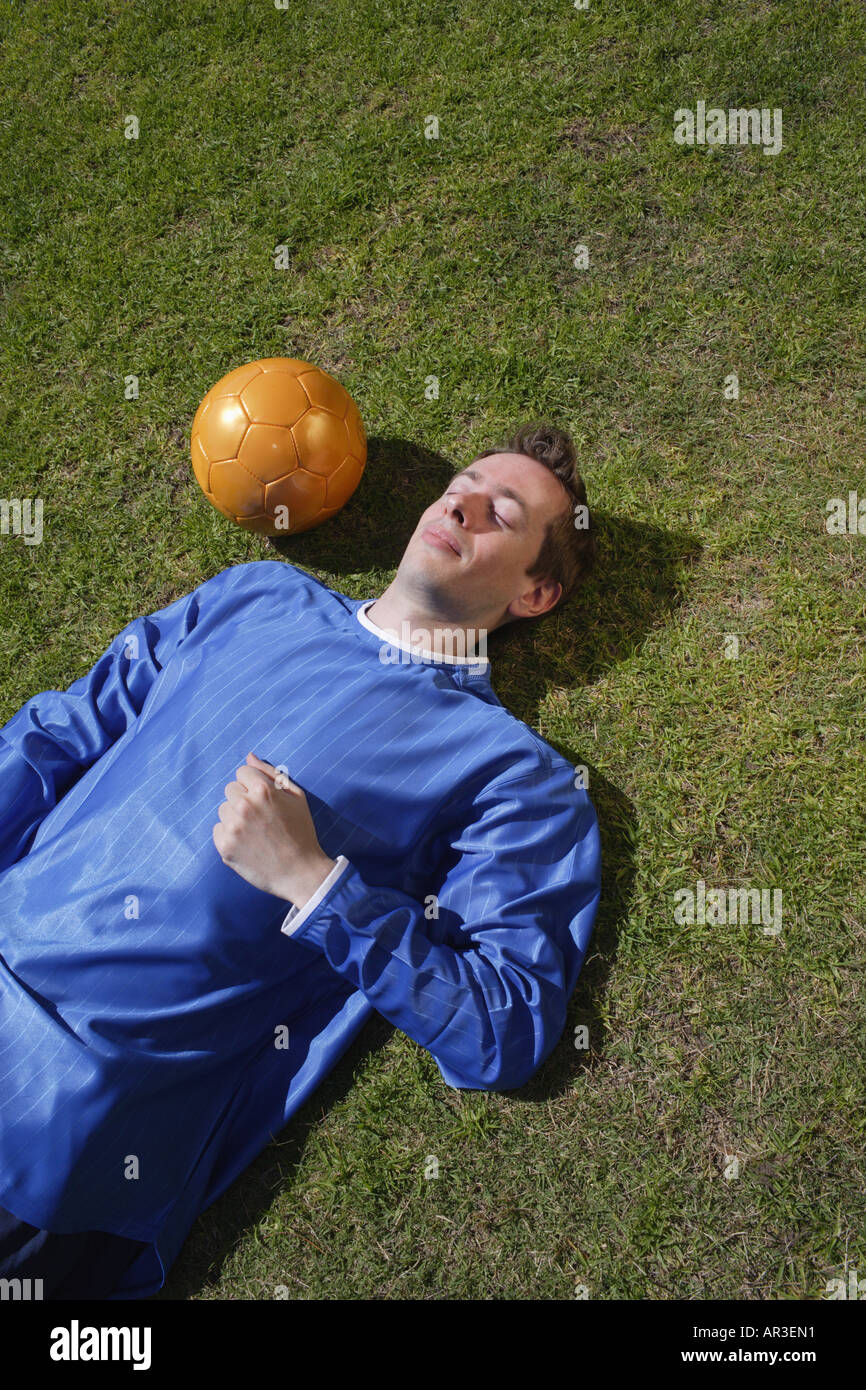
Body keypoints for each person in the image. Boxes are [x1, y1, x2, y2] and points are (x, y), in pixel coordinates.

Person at [0, 422, 601, 1299]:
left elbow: (500, 1032)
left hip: (72, 1114)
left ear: (536, 593)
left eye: (500, 513)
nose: (459, 502)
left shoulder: (513, 776)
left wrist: (316, 886)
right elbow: (62, 732)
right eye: (462, 484)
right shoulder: (257, 595)